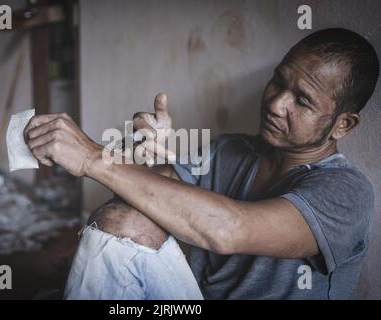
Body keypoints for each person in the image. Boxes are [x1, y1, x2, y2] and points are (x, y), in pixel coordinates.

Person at [24, 28, 379, 299]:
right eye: (278, 80)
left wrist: (93, 157)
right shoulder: (233, 150)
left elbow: (228, 230)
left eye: (302, 100)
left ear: (343, 125)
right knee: (123, 217)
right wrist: (138, 154)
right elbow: (149, 191)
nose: (276, 103)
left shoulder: (347, 192)